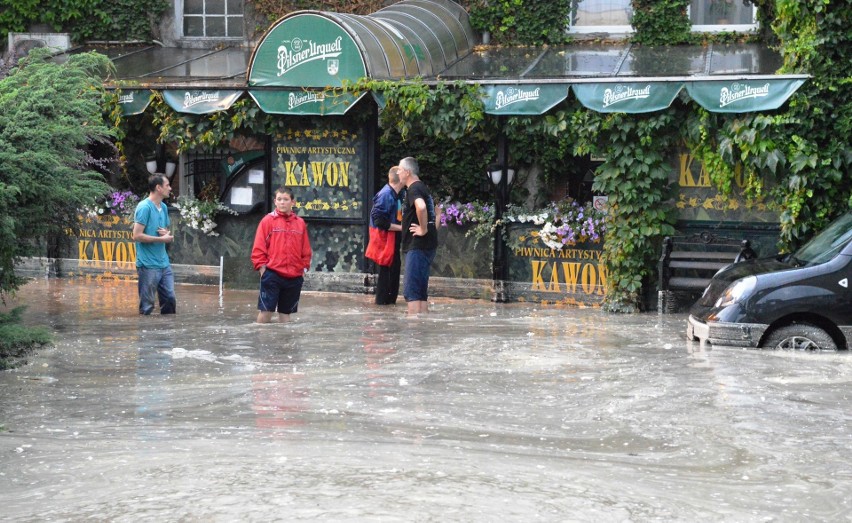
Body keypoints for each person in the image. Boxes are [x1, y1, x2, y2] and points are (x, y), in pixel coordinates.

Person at [251, 187, 312, 323]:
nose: (282, 202)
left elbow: (306, 250)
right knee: (266, 310)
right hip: (272, 273)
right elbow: (258, 247)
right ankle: (262, 341)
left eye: (285, 199)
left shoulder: (300, 223)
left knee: (286, 314)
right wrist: (262, 268)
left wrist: (304, 269)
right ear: (275, 202)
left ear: (293, 202)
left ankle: (284, 343)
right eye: (279, 199)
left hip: (294, 276)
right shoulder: (267, 221)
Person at [398, 156, 438, 314]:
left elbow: (421, 207)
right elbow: (436, 212)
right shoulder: (423, 188)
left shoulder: (414, 188)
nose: (398, 173)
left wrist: (423, 229)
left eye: (400, 170)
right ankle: (421, 331)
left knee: (413, 293)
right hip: (426, 246)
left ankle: (412, 336)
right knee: (420, 294)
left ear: (407, 172)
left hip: (417, 246)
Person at [132, 173, 176, 315]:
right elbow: (136, 235)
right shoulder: (144, 207)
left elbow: (165, 231)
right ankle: (145, 335)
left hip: (164, 263)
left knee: (170, 300)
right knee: (147, 307)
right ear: (158, 188)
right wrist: (161, 240)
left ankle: (167, 334)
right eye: (167, 185)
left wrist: (167, 234)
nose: (170, 188)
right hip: (148, 265)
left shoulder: (163, 207)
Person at [370, 166, 405, 305]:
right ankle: (383, 306)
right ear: (399, 179)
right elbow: (379, 221)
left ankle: (389, 305)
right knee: (386, 275)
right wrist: (402, 228)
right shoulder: (386, 195)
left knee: (393, 273)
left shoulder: (397, 194)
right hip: (386, 241)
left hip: (393, 240)